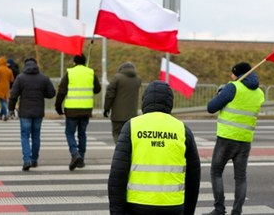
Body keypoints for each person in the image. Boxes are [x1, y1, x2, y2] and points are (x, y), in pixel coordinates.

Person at [108, 80, 201, 215]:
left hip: (137, 205)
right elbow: (194, 177)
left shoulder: (132, 126)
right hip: (173, 206)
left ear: (144, 101)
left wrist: (117, 212)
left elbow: (117, 174)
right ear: (170, 102)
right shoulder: (182, 130)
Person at [206, 62, 265, 215]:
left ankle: (219, 209)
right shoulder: (260, 93)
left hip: (226, 138)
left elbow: (211, 107)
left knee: (216, 172)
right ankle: (236, 212)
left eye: (232, 74)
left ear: (238, 74)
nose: (230, 77)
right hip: (245, 140)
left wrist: (221, 93)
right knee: (240, 178)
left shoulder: (233, 87)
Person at [54, 54, 101, 171]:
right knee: (82, 134)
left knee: (70, 133)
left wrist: (58, 106)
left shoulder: (70, 73)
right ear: (85, 62)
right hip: (86, 109)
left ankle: (75, 154)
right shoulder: (90, 72)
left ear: (74, 62)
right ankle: (81, 160)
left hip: (72, 110)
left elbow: (61, 91)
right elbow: (97, 89)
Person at [8, 58, 55, 171]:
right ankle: (34, 160)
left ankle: (26, 160)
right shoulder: (43, 78)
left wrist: (11, 109)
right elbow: (51, 93)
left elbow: (13, 95)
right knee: (36, 136)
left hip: (25, 112)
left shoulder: (20, 78)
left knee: (25, 136)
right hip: (38, 112)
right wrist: (41, 93)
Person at [103, 62, 142, 144]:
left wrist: (106, 108)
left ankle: (120, 152)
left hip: (118, 115)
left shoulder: (117, 78)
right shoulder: (138, 79)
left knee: (117, 134)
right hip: (132, 115)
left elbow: (109, 94)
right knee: (129, 136)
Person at [0, 56, 14, 121]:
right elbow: (12, 79)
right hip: (6, 87)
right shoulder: (9, 70)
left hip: (0, 87)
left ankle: (5, 114)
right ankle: (0, 115)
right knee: (4, 100)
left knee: (2, 101)